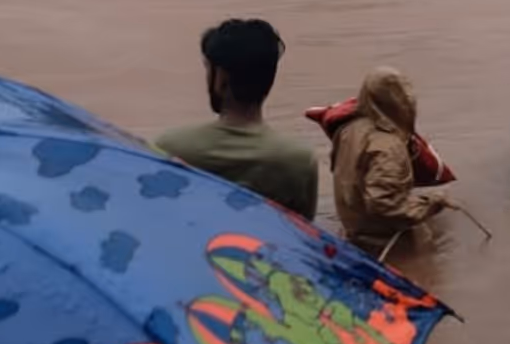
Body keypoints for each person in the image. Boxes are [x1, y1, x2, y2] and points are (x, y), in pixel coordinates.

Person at [155, 19, 318, 219]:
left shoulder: (169, 148)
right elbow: (305, 238)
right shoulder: (298, 162)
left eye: (208, 69)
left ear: (221, 79)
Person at [330, 67, 453, 250]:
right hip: (385, 242)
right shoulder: (389, 147)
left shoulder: (349, 128)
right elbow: (383, 204)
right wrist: (431, 202)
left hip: (352, 226)